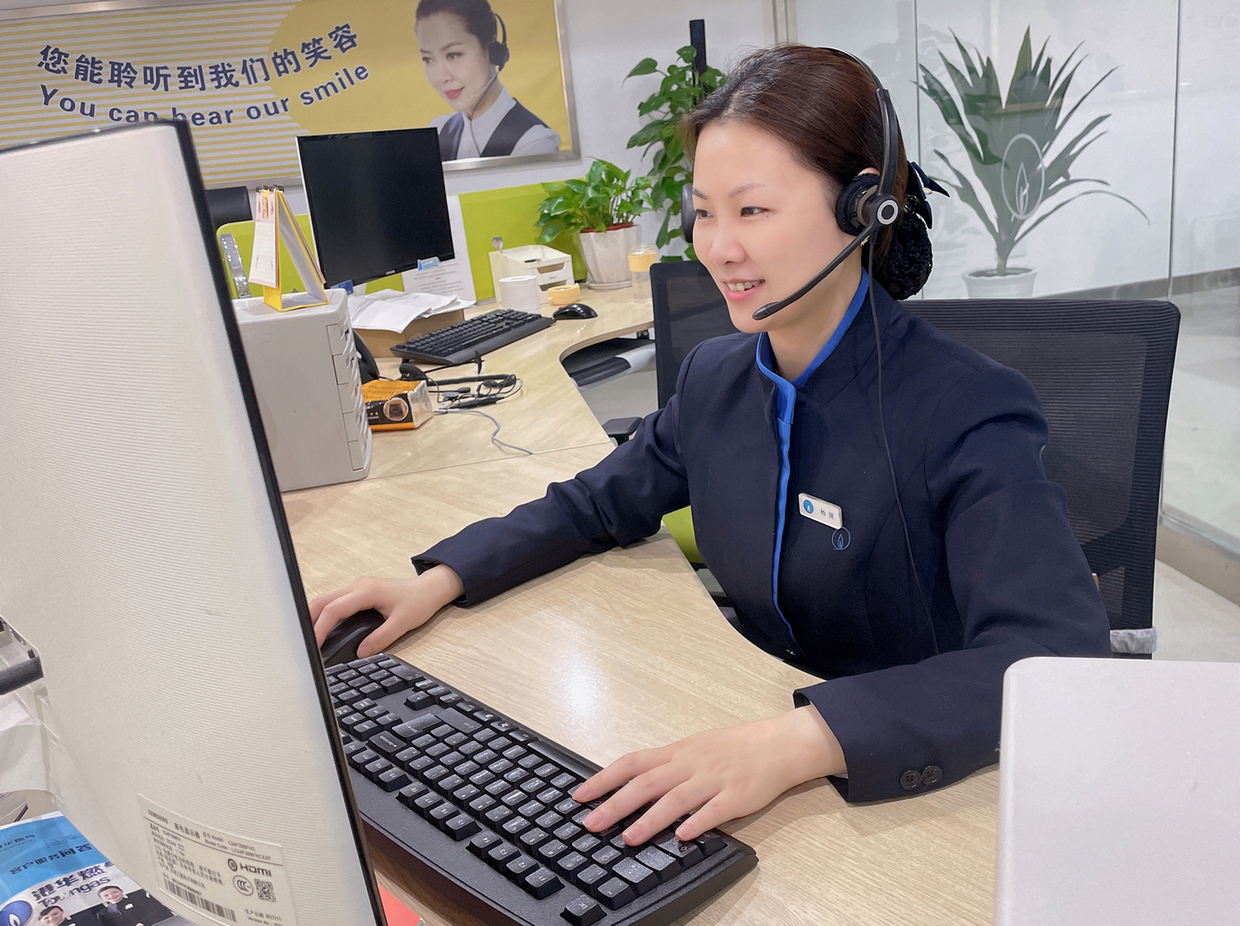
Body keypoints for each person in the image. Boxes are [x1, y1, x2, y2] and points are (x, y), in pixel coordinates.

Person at [311, 45, 1110, 846]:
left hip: (913, 789)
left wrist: (802, 740)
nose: (718, 247)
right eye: (704, 211)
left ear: (864, 208)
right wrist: (440, 578)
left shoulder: (969, 407)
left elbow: (1052, 652)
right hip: (751, 732)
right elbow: (596, 504)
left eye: (752, 211)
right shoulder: (715, 378)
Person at [415, 0, 561, 161]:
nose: (441, 77)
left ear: (491, 50)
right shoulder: (439, 130)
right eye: (428, 59)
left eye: (453, 55)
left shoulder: (534, 142)